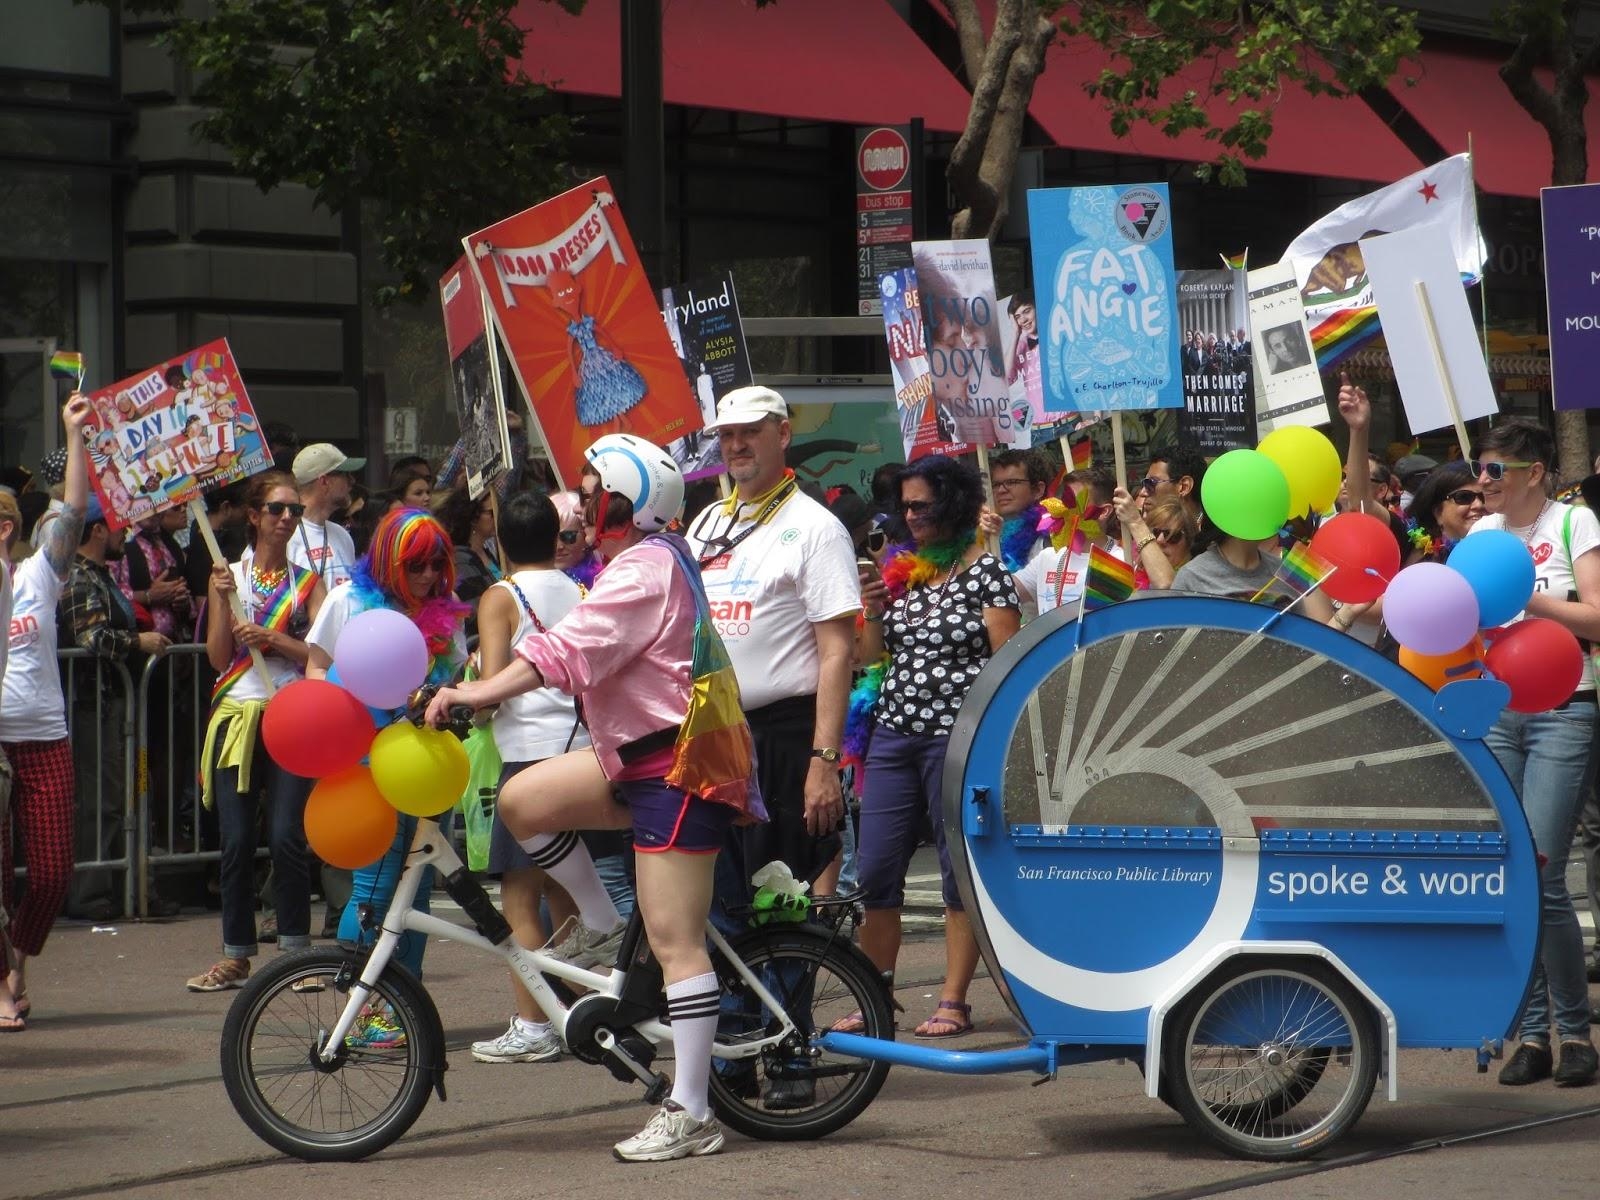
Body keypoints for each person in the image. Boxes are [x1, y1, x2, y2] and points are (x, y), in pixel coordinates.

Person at [427, 433, 764, 1162]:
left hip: (676, 766)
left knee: (676, 944)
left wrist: (474, 690)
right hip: (634, 760)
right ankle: (607, 921)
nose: (578, 502)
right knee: (523, 802)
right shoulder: (632, 561)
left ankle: (694, 1109)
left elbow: (564, 653)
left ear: (623, 502)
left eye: (590, 490)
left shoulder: (643, 569)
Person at [849, 455, 1020, 1038]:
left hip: (959, 739)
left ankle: (953, 999)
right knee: (875, 870)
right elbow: (870, 659)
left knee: (956, 874)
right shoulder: (903, 573)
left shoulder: (987, 576)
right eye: (905, 505)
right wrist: (872, 606)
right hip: (894, 736)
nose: (909, 515)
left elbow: (1009, 667)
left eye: (921, 504)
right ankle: (874, 995)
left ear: (951, 502)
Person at [683, 387, 857, 916]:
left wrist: (824, 763)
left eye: (749, 433)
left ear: (782, 434)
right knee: (718, 900)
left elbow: (837, 654)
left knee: (781, 902)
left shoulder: (817, 528)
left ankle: (783, 1002)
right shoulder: (707, 523)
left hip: (783, 736)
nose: (736, 445)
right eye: (727, 435)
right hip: (713, 732)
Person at [1467, 419, 1600, 1088]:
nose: (1482, 481)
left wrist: (1532, 600)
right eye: (1479, 467)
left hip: (1564, 707)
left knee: (1544, 870)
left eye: (1495, 470)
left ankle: (1575, 1033)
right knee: (1513, 874)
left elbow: (1599, 617)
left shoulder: (1574, 524)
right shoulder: (1481, 536)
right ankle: (1533, 1036)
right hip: (1497, 711)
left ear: (1534, 473)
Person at [306, 508, 469, 980]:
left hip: (424, 763)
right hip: (365, 764)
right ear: (388, 561)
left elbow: (453, 679)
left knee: (415, 889)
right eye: (415, 565)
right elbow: (316, 668)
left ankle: (405, 998)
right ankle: (362, 1001)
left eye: (437, 564)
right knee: (374, 886)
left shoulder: (446, 605)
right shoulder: (348, 602)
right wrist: (352, 704)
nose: (428, 575)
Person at [185, 471, 326, 992]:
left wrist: (275, 639)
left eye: (292, 510)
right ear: (253, 515)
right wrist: (221, 601)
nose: (286, 518)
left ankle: (295, 952)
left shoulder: (309, 585)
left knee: (287, 834)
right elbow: (218, 657)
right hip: (237, 716)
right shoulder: (227, 576)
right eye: (276, 509)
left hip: (289, 716)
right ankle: (235, 955)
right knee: (237, 840)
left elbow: (321, 654)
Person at [467, 492, 590, 1066]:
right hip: (580, 758)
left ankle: (533, 1024)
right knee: (569, 898)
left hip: (527, 762)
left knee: (519, 899)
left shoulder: (501, 596)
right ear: (556, 538)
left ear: (500, 544)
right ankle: (585, 1013)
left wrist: (469, 691)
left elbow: (491, 693)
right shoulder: (582, 590)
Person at [0, 394, 91, 1028]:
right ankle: (5, 985)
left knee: (53, 872)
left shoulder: (37, 575)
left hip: (43, 738)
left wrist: (73, 434)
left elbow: (75, 511)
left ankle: (17, 960)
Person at [59, 497, 172, 921]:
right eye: (118, 525)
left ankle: (129, 889)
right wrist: (138, 642)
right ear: (97, 530)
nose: (125, 532)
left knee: (128, 794)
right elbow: (91, 639)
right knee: (100, 800)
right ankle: (90, 894)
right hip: (93, 704)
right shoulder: (77, 577)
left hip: (117, 705)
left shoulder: (99, 575)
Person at [1015, 468, 1124, 616]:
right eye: (1062, 500)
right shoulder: (1048, 556)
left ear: (1104, 512)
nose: (1063, 509)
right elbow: (1002, 590)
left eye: (1073, 502)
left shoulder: (1121, 560)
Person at [288, 442, 365, 591]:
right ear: (324, 481)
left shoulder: (343, 535)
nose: (352, 481)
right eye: (345, 475)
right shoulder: (284, 536)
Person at [978, 448, 1052, 574]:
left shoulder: (1052, 533)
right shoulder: (981, 533)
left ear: (1038, 490)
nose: (1001, 490)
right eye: (995, 484)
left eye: (1012, 482)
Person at [437, 484, 502, 622]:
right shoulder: (461, 559)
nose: (497, 516)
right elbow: (475, 610)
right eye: (491, 513)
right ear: (473, 518)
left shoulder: (487, 552)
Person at [1137, 446, 1206, 521]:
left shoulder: (1213, 530)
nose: (1142, 493)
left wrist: (1135, 523)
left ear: (1184, 487)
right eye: (1145, 483)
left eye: (1151, 483)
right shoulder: (1149, 525)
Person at [551, 490, 601, 591]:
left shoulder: (602, 581)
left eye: (568, 536)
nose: (558, 546)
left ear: (586, 535)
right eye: (549, 537)